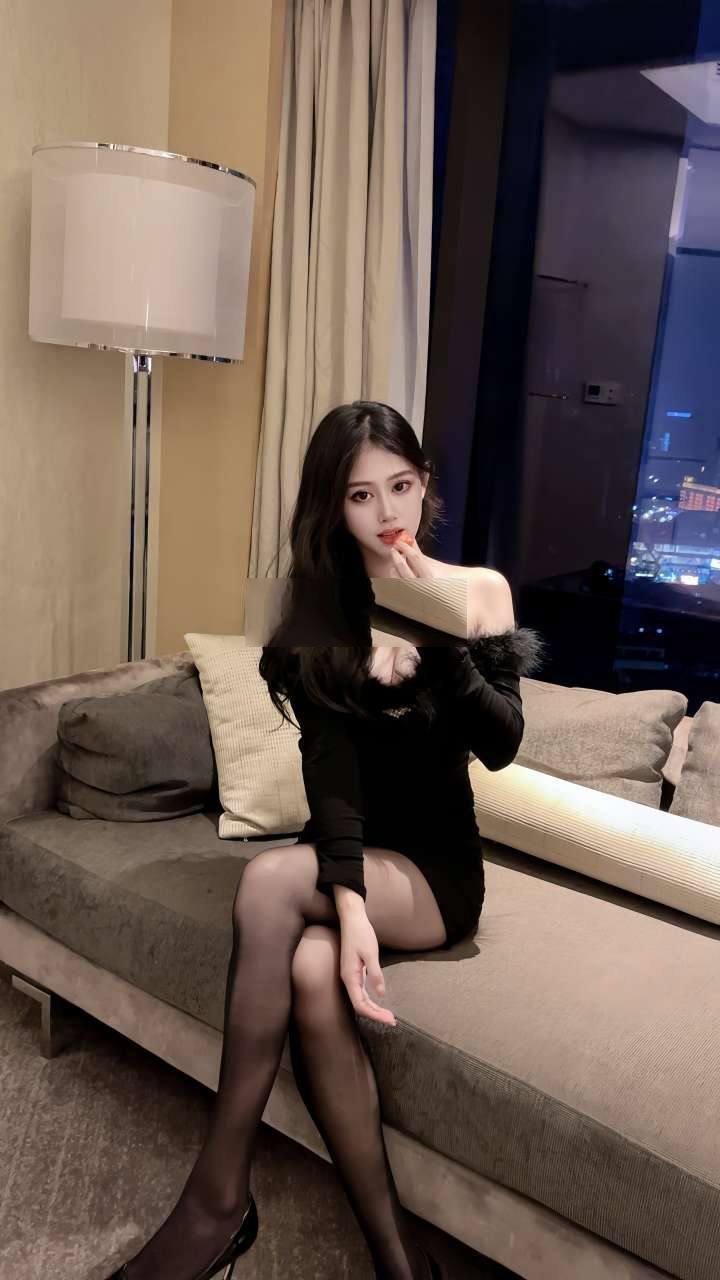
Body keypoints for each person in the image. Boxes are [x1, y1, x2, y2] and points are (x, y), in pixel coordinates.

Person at [104, 400, 544, 1280]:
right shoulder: (321, 613)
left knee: (267, 882)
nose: (387, 514)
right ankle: (399, 1260)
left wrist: (433, 627)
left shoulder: (479, 591)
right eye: (360, 495)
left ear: (425, 485)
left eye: (401, 487)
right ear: (332, 506)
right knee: (310, 967)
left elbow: (501, 744)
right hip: (347, 852)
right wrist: (348, 909)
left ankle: (216, 1204)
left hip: (436, 870)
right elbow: (331, 780)